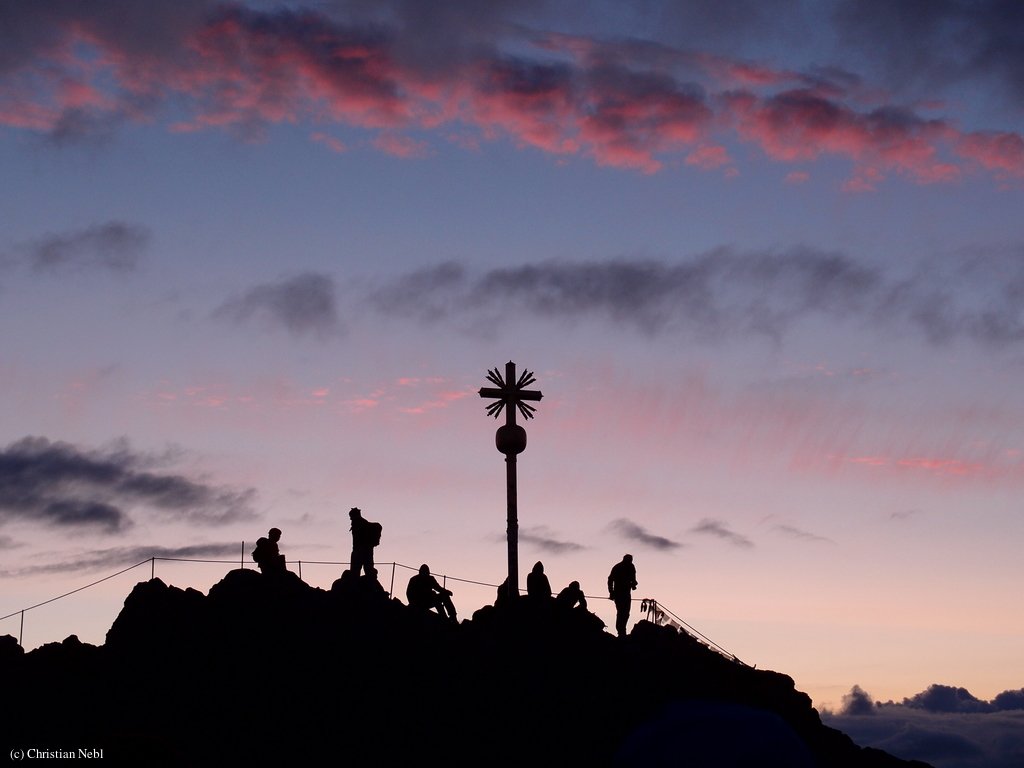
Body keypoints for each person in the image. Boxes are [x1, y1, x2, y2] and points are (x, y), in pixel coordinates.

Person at [608, 554, 637, 637]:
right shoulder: (618, 567)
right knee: (622, 612)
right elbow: (610, 580)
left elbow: (633, 579)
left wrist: (633, 584)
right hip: (619, 593)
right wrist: (611, 592)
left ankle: (622, 630)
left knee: (625, 613)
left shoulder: (631, 567)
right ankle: (621, 631)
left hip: (626, 593)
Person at [349, 507, 382, 578]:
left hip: (359, 552)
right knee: (368, 570)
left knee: (356, 573)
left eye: (351, 517)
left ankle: (358, 584)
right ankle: (370, 583)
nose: (350, 519)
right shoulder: (364, 524)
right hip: (367, 552)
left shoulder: (359, 525)